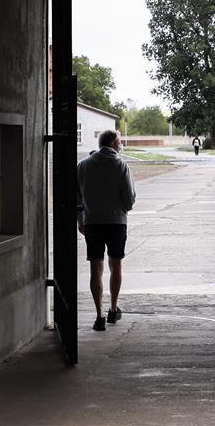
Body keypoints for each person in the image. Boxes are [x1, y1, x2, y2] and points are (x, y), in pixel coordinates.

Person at [77, 130, 136, 331]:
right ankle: (112, 309)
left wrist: (81, 220)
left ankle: (99, 315)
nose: (121, 145)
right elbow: (129, 199)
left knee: (96, 268)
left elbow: (77, 197)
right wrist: (123, 207)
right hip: (116, 221)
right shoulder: (120, 165)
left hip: (92, 222)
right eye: (119, 141)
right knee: (116, 265)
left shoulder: (83, 165)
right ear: (112, 142)